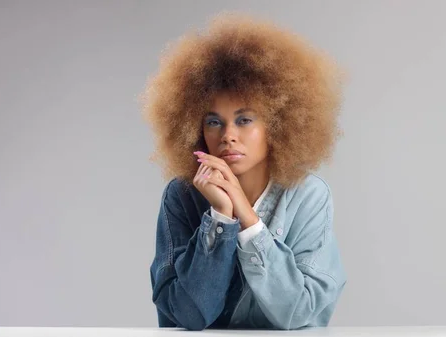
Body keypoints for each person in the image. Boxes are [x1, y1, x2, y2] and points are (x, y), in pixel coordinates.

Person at [140, 12, 347, 330]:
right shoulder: (182, 195)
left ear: (277, 125)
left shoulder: (307, 195)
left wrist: (249, 222)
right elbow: (188, 315)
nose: (227, 135)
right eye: (213, 121)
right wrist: (221, 218)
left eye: (245, 119)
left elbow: (299, 311)